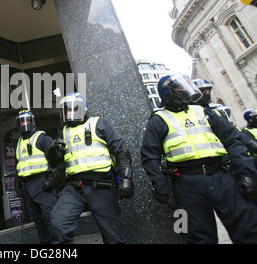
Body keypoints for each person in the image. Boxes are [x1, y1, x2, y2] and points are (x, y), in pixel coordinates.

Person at [141, 73, 257, 243]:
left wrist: (247, 172)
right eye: (179, 87)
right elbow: (149, 156)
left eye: (185, 86)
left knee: (248, 227)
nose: (184, 90)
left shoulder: (204, 112)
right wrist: (160, 185)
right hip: (187, 183)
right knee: (197, 236)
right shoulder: (158, 121)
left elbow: (233, 140)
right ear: (168, 93)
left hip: (222, 176)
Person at [47, 92, 134, 244]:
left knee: (114, 237)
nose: (69, 113)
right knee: (57, 224)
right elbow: (55, 162)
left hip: (101, 186)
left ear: (82, 108)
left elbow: (120, 151)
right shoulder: (63, 132)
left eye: (72, 108)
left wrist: (126, 178)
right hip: (74, 188)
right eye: (66, 110)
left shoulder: (99, 123)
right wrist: (53, 149)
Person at [14, 109, 56, 244]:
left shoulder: (42, 138)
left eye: (26, 121)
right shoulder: (19, 142)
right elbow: (19, 164)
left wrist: (52, 180)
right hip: (26, 185)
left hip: (42, 183)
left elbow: (55, 161)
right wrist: (17, 182)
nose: (24, 124)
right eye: (21, 122)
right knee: (37, 219)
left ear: (32, 122)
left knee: (50, 217)